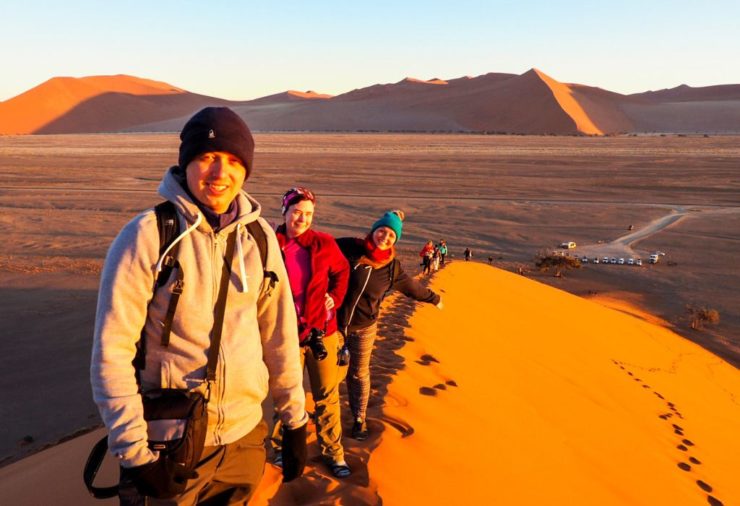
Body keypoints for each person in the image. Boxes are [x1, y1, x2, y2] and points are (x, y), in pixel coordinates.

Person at [90, 107, 308, 505]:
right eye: (208, 157)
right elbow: (111, 353)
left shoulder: (259, 238)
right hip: (168, 444)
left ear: (246, 170)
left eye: (233, 161)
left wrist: (294, 420)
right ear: (186, 162)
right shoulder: (149, 235)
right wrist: (136, 456)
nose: (220, 173)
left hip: (245, 440)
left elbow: (279, 334)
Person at [337, 210, 442, 441]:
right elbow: (317, 249)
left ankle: (359, 419)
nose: (385, 237)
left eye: (392, 235)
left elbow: (413, 289)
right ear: (374, 229)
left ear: (396, 240)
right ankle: (326, 416)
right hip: (333, 325)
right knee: (329, 374)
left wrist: (434, 298)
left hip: (364, 328)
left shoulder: (392, 268)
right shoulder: (349, 248)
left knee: (358, 374)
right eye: (382, 230)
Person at [271, 187, 352, 478]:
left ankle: (334, 454)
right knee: (286, 395)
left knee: (326, 396)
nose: (302, 219)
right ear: (285, 211)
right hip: (285, 335)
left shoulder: (323, 243)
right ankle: (280, 450)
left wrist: (334, 295)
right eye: (297, 212)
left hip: (323, 333)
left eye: (308, 214)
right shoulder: (270, 243)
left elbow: (342, 271)